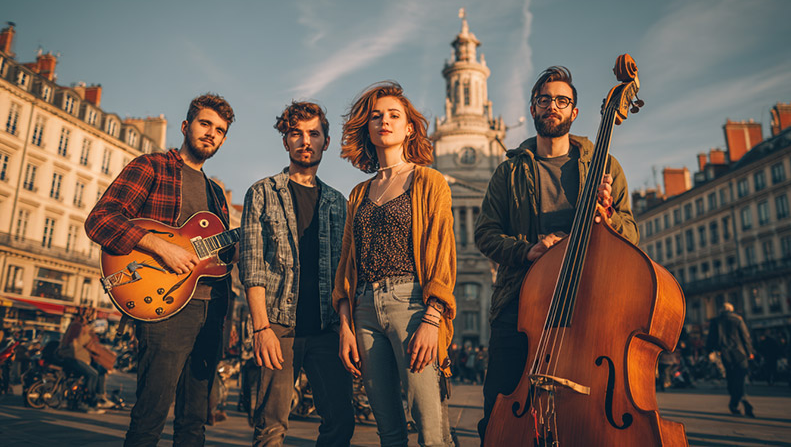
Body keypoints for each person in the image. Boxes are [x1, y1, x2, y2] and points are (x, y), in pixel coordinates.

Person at [473, 66, 639, 441]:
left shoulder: (605, 166)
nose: (553, 106)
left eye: (562, 101)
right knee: (500, 415)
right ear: (533, 109)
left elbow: (631, 233)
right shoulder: (509, 171)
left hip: (588, 308)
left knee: (584, 418)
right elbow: (485, 234)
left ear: (574, 112)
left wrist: (607, 220)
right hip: (520, 304)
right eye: (545, 99)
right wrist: (526, 250)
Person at [85, 93, 235, 446]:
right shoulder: (152, 167)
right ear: (186, 126)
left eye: (220, 130)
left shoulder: (216, 194)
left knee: (195, 421)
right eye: (205, 124)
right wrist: (159, 245)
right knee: (150, 416)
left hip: (210, 309)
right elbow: (100, 220)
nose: (212, 133)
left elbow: (220, 260)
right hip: (165, 306)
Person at [334, 82, 457, 446]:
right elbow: (346, 266)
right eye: (376, 116)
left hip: (413, 304)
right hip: (365, 310)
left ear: (409, 128)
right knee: (387, 430)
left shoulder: (430, 182)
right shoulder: (359, 193)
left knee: (431, 429)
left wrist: (433, 318)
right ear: (367, 129)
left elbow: (442, 254)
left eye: (393, 115)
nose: (384, 121)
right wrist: (345, 326)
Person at [239, 101, 355, 446]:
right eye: (297, 133)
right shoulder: (261, 192)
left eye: (314, 134)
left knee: (341, 423)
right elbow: (252, 266)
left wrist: (346, 329)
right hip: (278, 327)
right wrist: (261, 328)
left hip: (327, 329)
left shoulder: (339, 203)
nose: (306, 141)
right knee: (271, 428)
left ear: (326, 141)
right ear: (286, 142)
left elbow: (344, 275)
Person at [57, 306, 112, 412]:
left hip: (76, 356)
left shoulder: (76, 325)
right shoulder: (78, 326)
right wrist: (88, 333)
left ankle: (98, 397)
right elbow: (79, 342)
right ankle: (88, 402)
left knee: (99, 370)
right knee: (93, 374)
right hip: (74, 357)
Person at [707, 302, 756, 417]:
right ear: (731, 309)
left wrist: (709, 351)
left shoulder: (715, 321)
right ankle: (741, 400)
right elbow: (745, 336)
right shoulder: (738, 320)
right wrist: (750, 352)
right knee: (740, 378)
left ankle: (735, 403)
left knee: (731, 378)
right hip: (740, 353)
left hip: (724, 354)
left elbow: (711, 338)